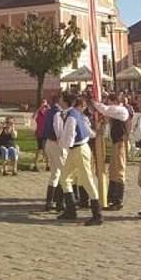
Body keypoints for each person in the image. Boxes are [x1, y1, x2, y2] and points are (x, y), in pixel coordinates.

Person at [57, 92, 104, 226]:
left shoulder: (72, 116)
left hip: (78, 150)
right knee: (64, 178)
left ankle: (97, 214)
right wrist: (95, 134)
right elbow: (88, 131)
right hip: (77, 149)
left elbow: (70, 135)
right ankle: (71, 210)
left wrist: (64, 149)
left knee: (87, 180)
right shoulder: (77, 115)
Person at [93, 93, 130, 210]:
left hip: (120, 144)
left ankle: (118, 201)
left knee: (118, 171)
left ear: (113, 101)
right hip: (116, 144)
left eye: (108, 101)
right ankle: (111, 198)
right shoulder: (116, 112)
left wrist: (95, 103)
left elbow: (106, 109)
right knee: (113, 171)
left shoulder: (121, 110)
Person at [42, 93, 66, 211]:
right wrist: (62, 143)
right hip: (56, 144)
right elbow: (58, 130)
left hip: (48, 143)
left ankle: (49, 201)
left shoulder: (49, 111)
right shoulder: (57, 112)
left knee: (55, 173)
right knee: (63, 172)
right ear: (59, 101)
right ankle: (60, 202)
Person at [32, 99, 49, 172]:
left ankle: (47, 165)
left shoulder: (48, 111)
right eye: (42, 102)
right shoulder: (38, 112)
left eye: (45, 103)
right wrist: (39, 109)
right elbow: (33, 117)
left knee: (46, 150)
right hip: (39, 133)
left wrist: (48, 108)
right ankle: (36, 165)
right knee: (40, 150)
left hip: (46, 133)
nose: (44, 104)